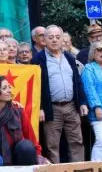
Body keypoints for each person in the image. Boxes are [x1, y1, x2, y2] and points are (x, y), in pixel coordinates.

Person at [33, 25, 88, 163]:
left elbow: (77, 81)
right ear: (44, 40)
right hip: (51, 108)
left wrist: (82, 102)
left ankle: (79, 170)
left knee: (77, 141)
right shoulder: (37, 60)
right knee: (52, 145)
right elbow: (35, 86)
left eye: (58, 37)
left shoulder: (69, 58)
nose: (54, 40)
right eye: (50, 37)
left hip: (71, 106)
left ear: (62, 39)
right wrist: (40, 108)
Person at [0, 76, 44, 166]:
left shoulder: (18, 110)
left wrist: (39, 156)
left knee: (26, 147)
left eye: (9, 87)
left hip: (18, 155)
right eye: (4, 88)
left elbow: (31, 138)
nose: (9, 90)